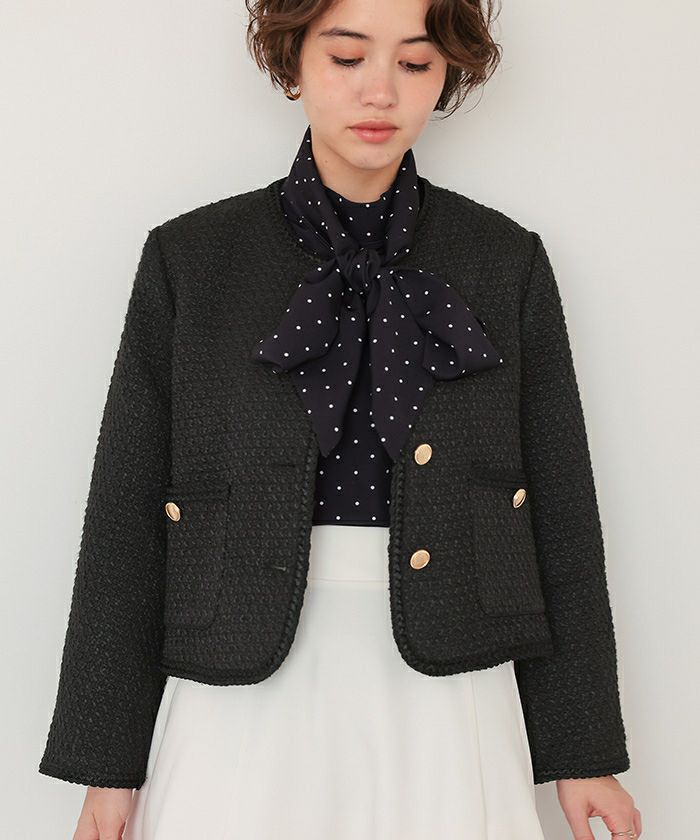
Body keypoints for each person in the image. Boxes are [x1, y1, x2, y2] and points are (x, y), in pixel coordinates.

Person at [38, 1, 642, 838]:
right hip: (234, 692)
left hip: (452, 687)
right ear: (293, 60)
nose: (381, 91)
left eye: (415, 63)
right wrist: (106, 765)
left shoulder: (504, 261)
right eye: (348, 57)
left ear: (447, 73)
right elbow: (124, 518)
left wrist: (582, 751)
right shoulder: (191, 261)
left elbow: (563, 513)